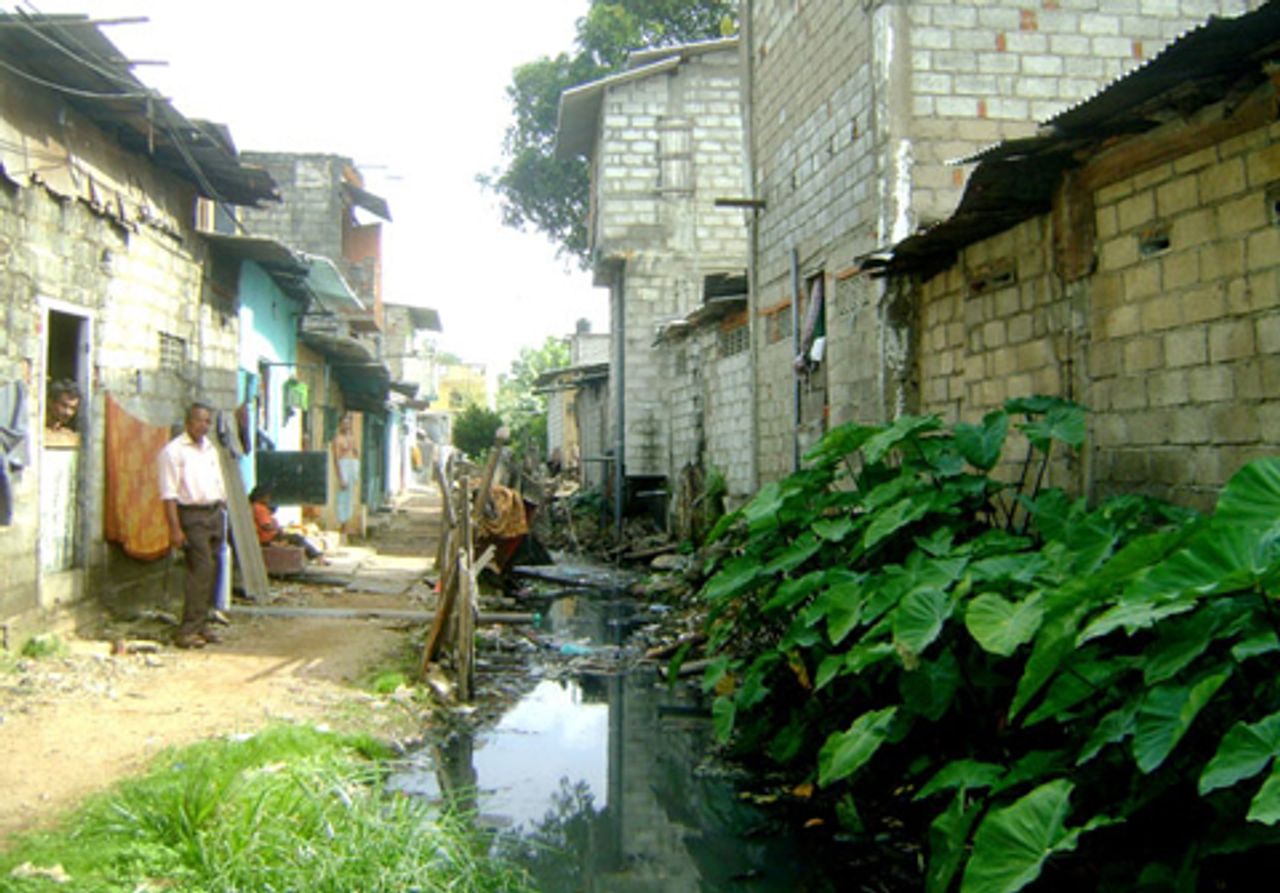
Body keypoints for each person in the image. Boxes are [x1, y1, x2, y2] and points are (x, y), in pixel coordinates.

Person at [157, 402, 227, 649]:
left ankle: (202, 624)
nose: (204, 426)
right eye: (200, 420)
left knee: (215, 569)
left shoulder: (210, 449)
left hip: (214, 513)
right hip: (192, 515)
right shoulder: (174, 452)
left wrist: (222, 505)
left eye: (208, 421)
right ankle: (187, 629)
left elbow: (216, 480)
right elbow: (169, 495)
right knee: (201, 569)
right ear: (188, 422)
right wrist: (175, 529)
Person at [249, 484, 322, 560]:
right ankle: (316, 555)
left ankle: (314, 555)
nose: (269, 499)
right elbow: (266, 526)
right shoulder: (259, 508)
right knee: (297, 538)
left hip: (267, 537)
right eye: (268, 496)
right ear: (262, 496)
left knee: (295, 538)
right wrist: (277, 527)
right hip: (269, 539)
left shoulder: (255, 507)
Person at [331, 414, 360, 536]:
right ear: (340, 425)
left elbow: (356, 453)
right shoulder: (338, 439)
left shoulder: (352, 438)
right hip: (343, 466)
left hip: (352, 465)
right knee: (342, 496)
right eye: (344, 423)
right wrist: (340, 476)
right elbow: (336, 458)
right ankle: (342, 524)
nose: (346, 425)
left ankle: (347, 523)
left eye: (348, 423)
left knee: (350, 497)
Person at [45, 380, 81, 447]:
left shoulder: (70, 436)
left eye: (73, 408)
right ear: (50, 402)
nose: (68, 412)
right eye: (64, 406)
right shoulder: (37, 434)